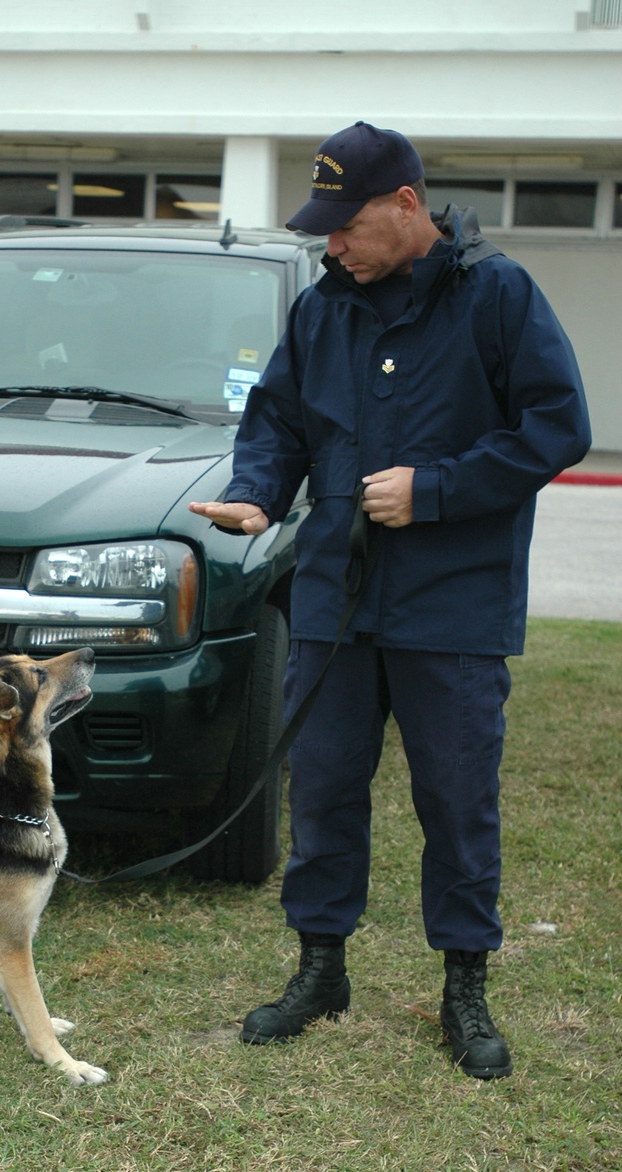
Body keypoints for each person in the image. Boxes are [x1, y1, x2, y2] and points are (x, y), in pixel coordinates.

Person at [189, 121, 591, 1079]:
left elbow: (558, 427)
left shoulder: (497, 294)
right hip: (334, 597)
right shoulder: (326, 307)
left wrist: (436, 490)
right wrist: (256, 492)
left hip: (454, 605)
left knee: (457, 803)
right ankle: (320, 970)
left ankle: (464, 985)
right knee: (323, 792)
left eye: (345, 224)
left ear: (407, 206)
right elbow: (279, 421)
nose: (331, 244)